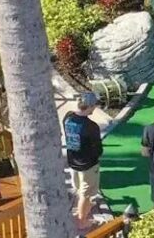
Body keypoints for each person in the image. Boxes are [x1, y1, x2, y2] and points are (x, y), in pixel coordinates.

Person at [63, 92, 103, 228]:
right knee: (85, 194)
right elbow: (98, 149)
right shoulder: (91, 126)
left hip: (73, 162)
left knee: (79, 188)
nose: (95, 108)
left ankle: (86, 206)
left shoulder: (67, 117)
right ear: (89, 106)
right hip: (88, 165)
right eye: (94, 106)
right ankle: (82, 221)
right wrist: (97, 157)